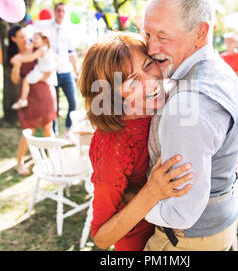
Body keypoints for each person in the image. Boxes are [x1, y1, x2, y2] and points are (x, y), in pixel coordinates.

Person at [142, 0, 238, 251]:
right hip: (218, 225)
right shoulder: (220, 69)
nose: (152, 48)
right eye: (147, 34)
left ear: (200, 32)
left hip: (185, 240)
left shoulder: (188, 104)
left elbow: (181, 212)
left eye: (163, 36)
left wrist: (134, 205)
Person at [78, 32, 194, 251]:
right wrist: (151, 192)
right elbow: (101, 238)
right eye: (131, 80)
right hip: (141, 244)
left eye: (149, 64)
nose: (150, 80)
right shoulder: (113, 144)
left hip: (178, 235)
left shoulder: (161, 106)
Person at [9, 26, 57, 176]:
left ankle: (52, 158)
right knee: (28, 130)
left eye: (26, 36)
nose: (25, 39)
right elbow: (15, 79)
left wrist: (44, 76)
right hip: (28, 95)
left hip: (44, 92)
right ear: (14, 39)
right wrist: (16, 66)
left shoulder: (37, 50)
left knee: (48, 127)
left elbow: (52, 63)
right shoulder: (16, 56)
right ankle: (20, 162)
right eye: (21, 37)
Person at [35, 2, 79, 142]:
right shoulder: (45, 27)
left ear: (65, 14)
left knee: (73, 102)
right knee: (52, 106)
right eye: (58, 10)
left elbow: (72, 53)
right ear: (55, 11)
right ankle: (52, 135)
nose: (60, 13)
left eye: (63, 11)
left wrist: (77, 71)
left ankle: (67, 130)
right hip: (51, 73)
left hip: (66, 72)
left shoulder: (69, 30)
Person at [10, 31, 58, 110]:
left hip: (41, 70)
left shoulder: (41, 50)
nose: (33, 40)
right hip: (45, 70)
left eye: (36, 38)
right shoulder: (47, 48)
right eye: (33, 38)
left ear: (43, 40)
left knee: (26, 80)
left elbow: (31, 58)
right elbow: (56, 59)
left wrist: (18, 59)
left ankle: (23, 100)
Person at [219, 32, 238, 100]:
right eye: (227, 42)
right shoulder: (222, 56)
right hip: (225, 85)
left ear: (236, 43)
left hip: (237, 86)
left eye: (231, 42)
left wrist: (232, 75)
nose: (228, 44)